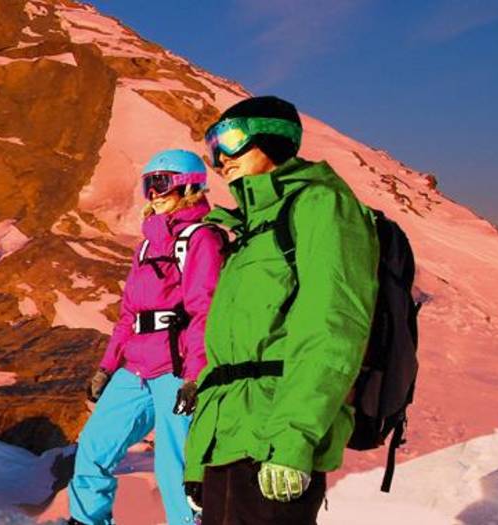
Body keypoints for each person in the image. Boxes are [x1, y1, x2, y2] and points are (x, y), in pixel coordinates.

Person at [183, 96, 379, 524]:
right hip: (229, 445)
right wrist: (200, 461)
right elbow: (229, 361)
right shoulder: (251, 229)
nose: (220, 159)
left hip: (275, 437)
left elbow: (332, 326)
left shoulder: (319, 205)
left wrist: (293, 441)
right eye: (212, 147)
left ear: (271, 136)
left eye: (229, 140)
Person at [66, 149, 225, 525]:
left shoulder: (200, 238)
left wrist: (195, 376)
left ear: (189, 185)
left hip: (176, 366)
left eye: (162, 182)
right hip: (135, 367)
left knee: (176, 465)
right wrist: (107, 367)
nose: (154, 191)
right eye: (148, 183)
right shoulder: (147, 244)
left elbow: (206, 309)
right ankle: (87, 521)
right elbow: (128, 316)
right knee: (93, 448)